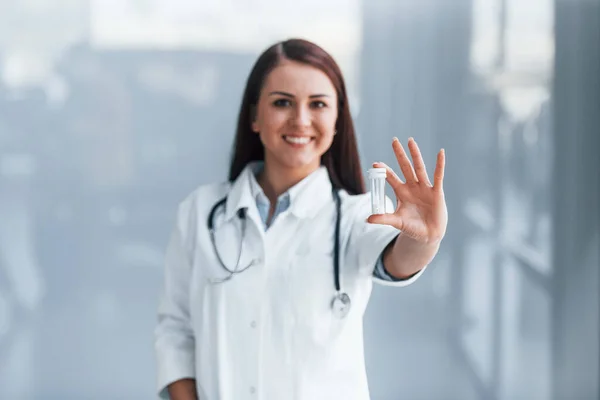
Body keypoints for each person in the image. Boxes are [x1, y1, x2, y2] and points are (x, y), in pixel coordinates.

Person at [154, 38, 447, 400]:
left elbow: (396, 259)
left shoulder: (359, 214)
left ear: (338, 118)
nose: (301, 120)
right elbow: (176, 332)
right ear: (254, 117)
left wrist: (425, 239)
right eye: (282, 103)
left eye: (319, 104)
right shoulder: (200, 212)